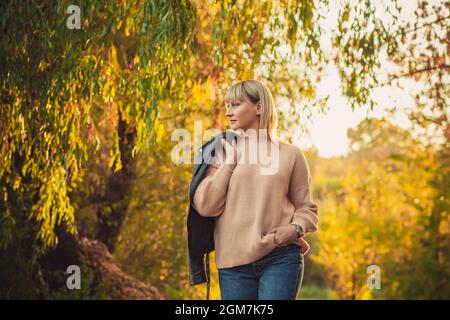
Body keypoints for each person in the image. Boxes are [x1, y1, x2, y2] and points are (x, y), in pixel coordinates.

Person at [192, 79, 318, 300]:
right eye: (227, 105)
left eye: (236, 104)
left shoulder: (290, 154)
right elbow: (206, 206)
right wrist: (232, 159)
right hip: (233, 263)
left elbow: (306, 208)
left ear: (258, 107)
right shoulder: (220, 151)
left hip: (280, 256)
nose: (229, 112)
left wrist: (295, 229)